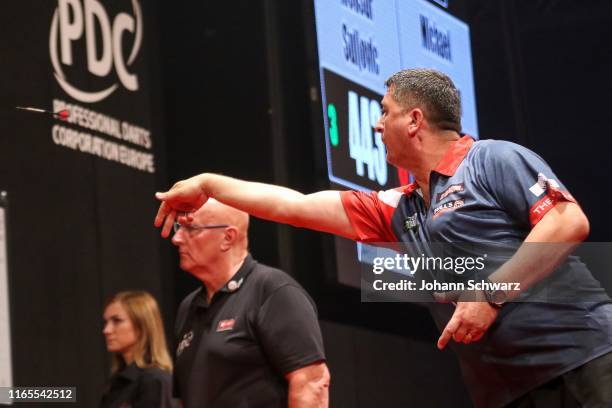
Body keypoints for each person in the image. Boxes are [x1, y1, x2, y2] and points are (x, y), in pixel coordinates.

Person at [153, 69, 612, 407]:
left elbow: (568, 222)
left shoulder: (490, 160)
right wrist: (210, 183)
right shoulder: (398, 207)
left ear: (414, 120)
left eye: (384, 112)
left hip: (583, 361)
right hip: (506, 391)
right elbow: (293, 205)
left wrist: (489, 294)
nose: (376, 125)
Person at [169, 198, 329, 408]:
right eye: (179, 227)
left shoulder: (273, 290)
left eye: (190, 229)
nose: (177, 238)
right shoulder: (188, 306)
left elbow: (312, 383)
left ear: (228, 237)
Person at [101, 291, 176, 408]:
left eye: (117, 321)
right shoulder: (116, 382)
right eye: (106, 322)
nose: (106, 330)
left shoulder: (155, 381)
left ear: (142, 326)